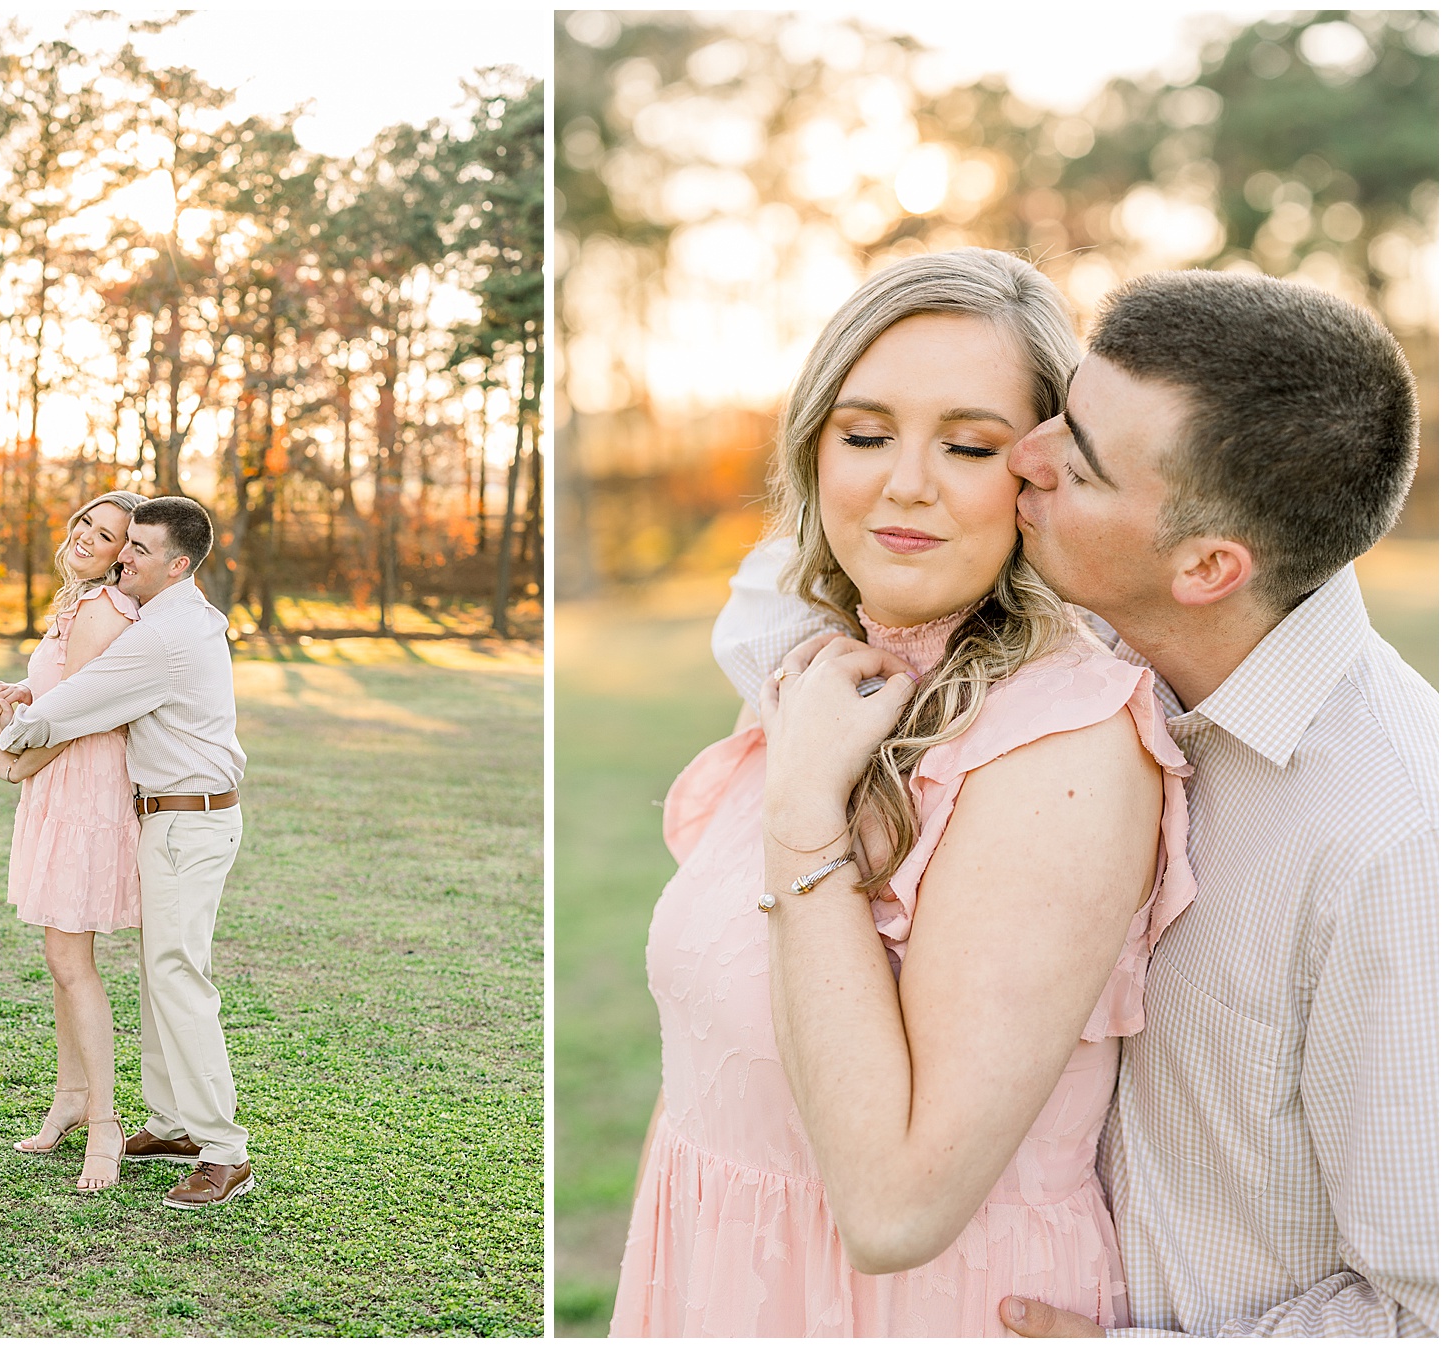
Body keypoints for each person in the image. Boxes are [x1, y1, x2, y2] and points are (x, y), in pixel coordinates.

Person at [713, 268, 1435, 1336]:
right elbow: (787, 582)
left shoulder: (1394, 842)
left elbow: (1429, 1309)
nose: (1025, 456)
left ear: (1208, 567)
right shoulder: (1106, 636)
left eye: (1077, 461)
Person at [611, 248, 1196, 1337]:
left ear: (1038, 474)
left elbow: (897, 1208)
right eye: (865, 434)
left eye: (968, 446)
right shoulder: (824, 678)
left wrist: (804, 811)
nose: (906, 484)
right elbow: (709, 1079)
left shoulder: (1064, 741)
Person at [0, 494, 255, 1211]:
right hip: (172, 819)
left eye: (138, 547)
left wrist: (13, 747)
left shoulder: (163, 634)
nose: (124, 557)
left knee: (178, 978)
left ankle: (224, 1151)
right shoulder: (176, 613)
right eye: (124, 541)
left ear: (177, 565)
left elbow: (79, 702)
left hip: (189, 822)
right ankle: (171, 1126)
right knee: (160, 974)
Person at [0, 488, 146, 1194]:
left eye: (106, 535)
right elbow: (62, 689)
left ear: (122, 557)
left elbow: (80, 715)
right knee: (61, 957)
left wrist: (19, 765)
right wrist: (23, 692)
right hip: (66, 782)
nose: (86, 536)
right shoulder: (81, 603)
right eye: (86, 522)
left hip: (83, 787)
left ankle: (105, 1124)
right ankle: (71, 1098)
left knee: (70, 959)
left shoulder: (103, 607)